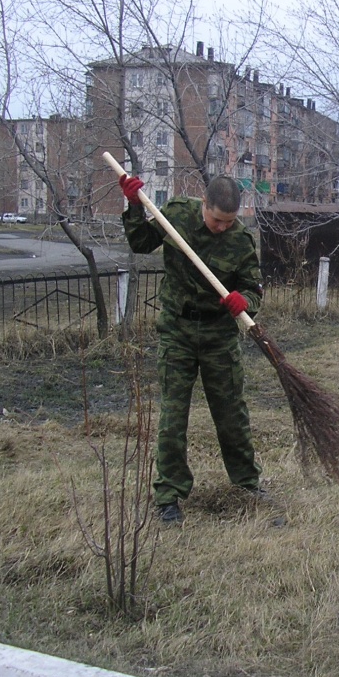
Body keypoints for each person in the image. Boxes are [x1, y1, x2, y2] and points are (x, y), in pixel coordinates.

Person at [120, 172, 266, 525]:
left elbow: (254, 291)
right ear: (204, 205)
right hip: (177, 331)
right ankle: (169, 494)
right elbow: (140, 243)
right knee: (173, 416)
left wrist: (241, 300)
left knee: (231, 413)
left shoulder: (242, 242)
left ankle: (246, 483)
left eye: (229, 222)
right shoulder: (176, 214)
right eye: (217, 220)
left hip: (219, 335)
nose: (221, 228)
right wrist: (134, 205)